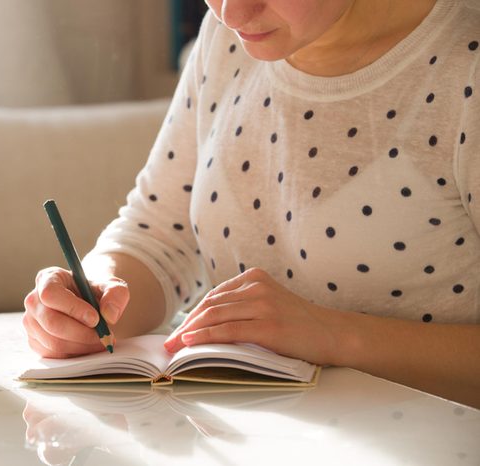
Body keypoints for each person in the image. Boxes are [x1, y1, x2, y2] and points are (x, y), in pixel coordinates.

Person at [24, 0, 480, 408]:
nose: (232, 14)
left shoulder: (466, 65)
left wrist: (335, 336)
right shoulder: (223, 39)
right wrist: (96, 298)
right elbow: (158, 236)